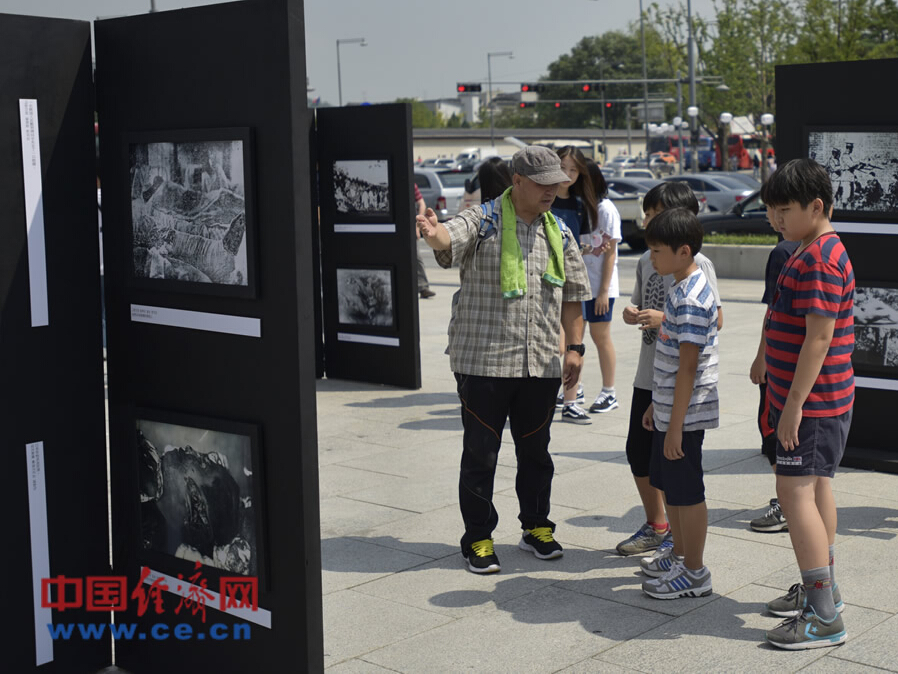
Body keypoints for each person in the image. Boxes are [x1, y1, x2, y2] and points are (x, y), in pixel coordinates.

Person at [417, 146, 592, 574]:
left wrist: (574, 347)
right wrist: (431, 231)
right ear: (517, 181)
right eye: (543, 183)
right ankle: (477, 537)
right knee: (481, 455)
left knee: (537, 452)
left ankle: (536, 527)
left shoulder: (560, 232)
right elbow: (447, 238)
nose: (553, 190)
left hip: (539, 365)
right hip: (484, 361)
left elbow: (572, 297)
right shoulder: (484, 220)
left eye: (557, 183)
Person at [761, 158, 854, 650]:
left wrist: (793, 406)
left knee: (794, 493)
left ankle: (822, 617)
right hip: (817, 401)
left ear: (816, 206)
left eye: (784, 210)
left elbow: (818, 339)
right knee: (815, 491)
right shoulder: (812, 246)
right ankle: (825, 590)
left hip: (812, 405)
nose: (776, 220)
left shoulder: (818, 257)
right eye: (772, 211)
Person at [616, 182, 723, 558]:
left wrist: (674, 423)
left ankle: (689, 563)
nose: (647, 222)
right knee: (648, 462)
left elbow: (693, 358)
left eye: (654, 214)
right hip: (658, 384)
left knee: (682, 483)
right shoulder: (657, 265)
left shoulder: (693, 280)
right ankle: (670, 543)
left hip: (682, 399)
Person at [639, 207, 719, 600]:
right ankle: (683, 556)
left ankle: (695, 571)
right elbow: (673, 363)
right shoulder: (682, 287)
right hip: (674, 411)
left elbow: (688, 367)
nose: (652, 258)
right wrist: (660, 405)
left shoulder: (689, 296)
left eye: (657, 251)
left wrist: (675, 425)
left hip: (684, 419)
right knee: (673, 490)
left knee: (687, 493)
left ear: (683, 251)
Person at [748, 181, 799, 533]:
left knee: (772, 433)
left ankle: (785, 504)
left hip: (782, 368)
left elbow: (774, 314)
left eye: (774, 208)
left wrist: (760, 358)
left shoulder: (783, 252)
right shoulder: (820, 248)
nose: (771, 216)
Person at [551, 146, 597, 424]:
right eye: (563, 168)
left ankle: (570, 399)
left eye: (574, 170)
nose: (568, 175)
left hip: (571, 281)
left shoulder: (580, 205)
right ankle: (547, 395)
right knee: (553, 344)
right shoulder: (541, 199)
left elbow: (582, 243)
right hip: (543, 280)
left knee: (574, 344)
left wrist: (587, 250)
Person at [581, 159, 621, 416]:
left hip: (599, 287)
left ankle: (609, 392)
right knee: (574, 339)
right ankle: (574, 388)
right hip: (578, 285)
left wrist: (604, 291)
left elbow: (610, 253)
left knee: (600, 337)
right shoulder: (577, 206)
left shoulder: (605, 208)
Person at [414, 183, 436, 299]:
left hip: (410, 224)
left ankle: (423, 287)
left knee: (417, 258)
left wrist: (417, 226)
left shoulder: (412, 185)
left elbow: (421, 203)